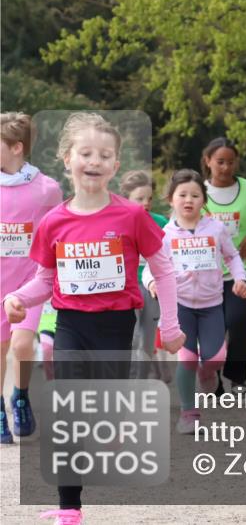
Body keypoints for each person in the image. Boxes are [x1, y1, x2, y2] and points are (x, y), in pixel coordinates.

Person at [2, 112, 184, 525]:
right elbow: (44, 280)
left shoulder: (131, 217)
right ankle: (70, 509)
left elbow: (164, 269)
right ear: (67, 159)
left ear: (115, 165)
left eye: (104, 155)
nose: (94, 161)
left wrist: (170, 326)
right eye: (86, 153)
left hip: (116, 325)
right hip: (69, 323)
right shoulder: (54, 222)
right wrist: (18, 297)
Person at [145, 169, 246, 433]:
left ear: (204, 200)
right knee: (187, 359)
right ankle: (189, 414)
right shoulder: (165, 235)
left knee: (215, 358)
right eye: (182, 195)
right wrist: (152, 283)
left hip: (212, 305)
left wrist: (240, 279)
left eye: (195, 195)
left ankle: (207, 373)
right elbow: (149, 267)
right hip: (180, 306)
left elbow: (233, 256)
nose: (188, 200)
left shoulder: (216, 229)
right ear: (171, 199)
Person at [0, 112, 63, 444]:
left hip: (30, 282)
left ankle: (20, 396)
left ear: (16, 148)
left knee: (23, 344)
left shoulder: (47, 188)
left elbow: (59, 229)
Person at [201, 137, 246, 393]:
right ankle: (214, 379)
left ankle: (238, 377)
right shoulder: (198, 191)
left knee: (239, 319)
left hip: (244, 267)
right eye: (220, 162)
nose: (225, 167)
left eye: (231, 162)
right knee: (213, 326)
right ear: (208, 161)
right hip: (206, 270)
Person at [119, 169, 170, 381]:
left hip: (153, 288)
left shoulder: (161, 223)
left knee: (147, 340)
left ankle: (139, 382)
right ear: (126, 199)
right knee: (131, 338)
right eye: (139, 198)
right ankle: (128, 384)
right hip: (125, 286)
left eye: (149, 198)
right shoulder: (118, 221)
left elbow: (170, 256)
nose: (146, 203)